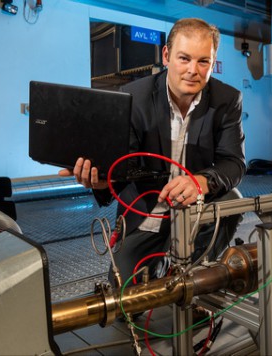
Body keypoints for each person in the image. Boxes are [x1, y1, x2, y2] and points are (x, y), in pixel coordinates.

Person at [59, 18, 245, 286]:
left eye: (203, 61)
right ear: (167, 56)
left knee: (232, 200)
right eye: (184, 58)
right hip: (148, 214)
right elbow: (123, 165)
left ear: (213, 61)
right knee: (125, 302)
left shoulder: (227, 100)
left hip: (196, 214)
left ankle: (196, 274)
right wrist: (103, 180)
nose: (193, 70)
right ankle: (159, 263)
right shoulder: (134, 97)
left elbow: (234, 163)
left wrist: (201, 181)